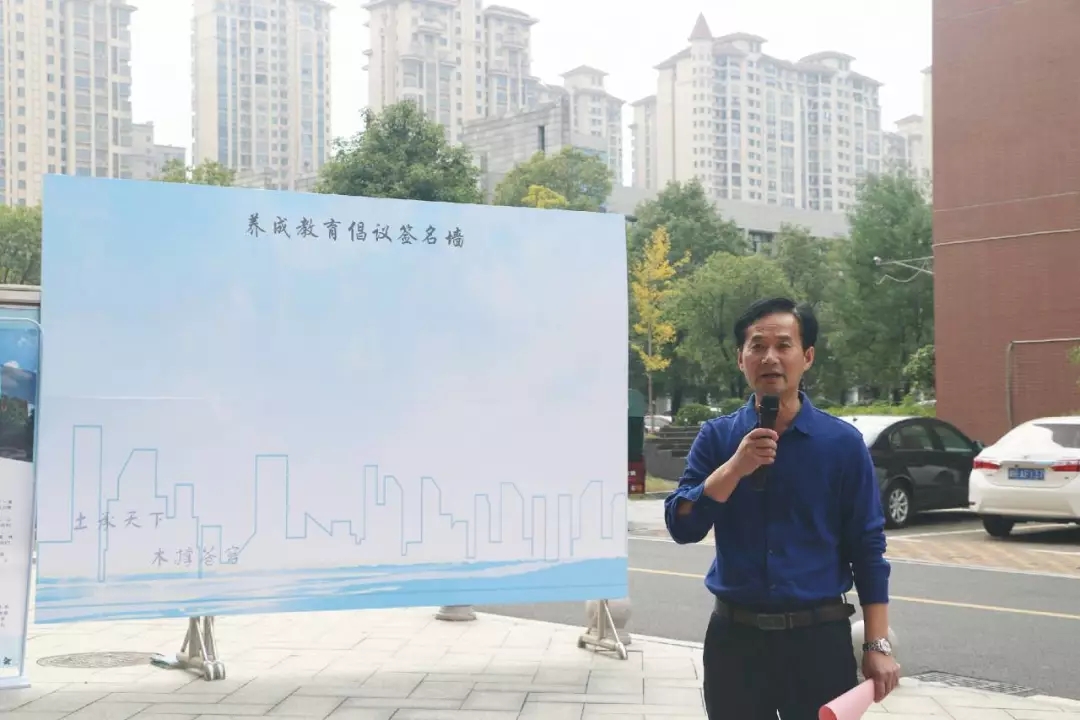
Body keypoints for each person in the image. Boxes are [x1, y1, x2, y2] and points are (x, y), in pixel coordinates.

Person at [664, 297, 901, 720]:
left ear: (807, 356)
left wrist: (876, 644)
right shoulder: (717, 438)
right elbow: (683, 525)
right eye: (757, 346)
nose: (770, 357)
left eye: (783, 345)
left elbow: (867, 548)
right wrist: (735, 468)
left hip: (818, 642)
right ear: (741, 358)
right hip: (735, 642)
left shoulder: (841, 445)